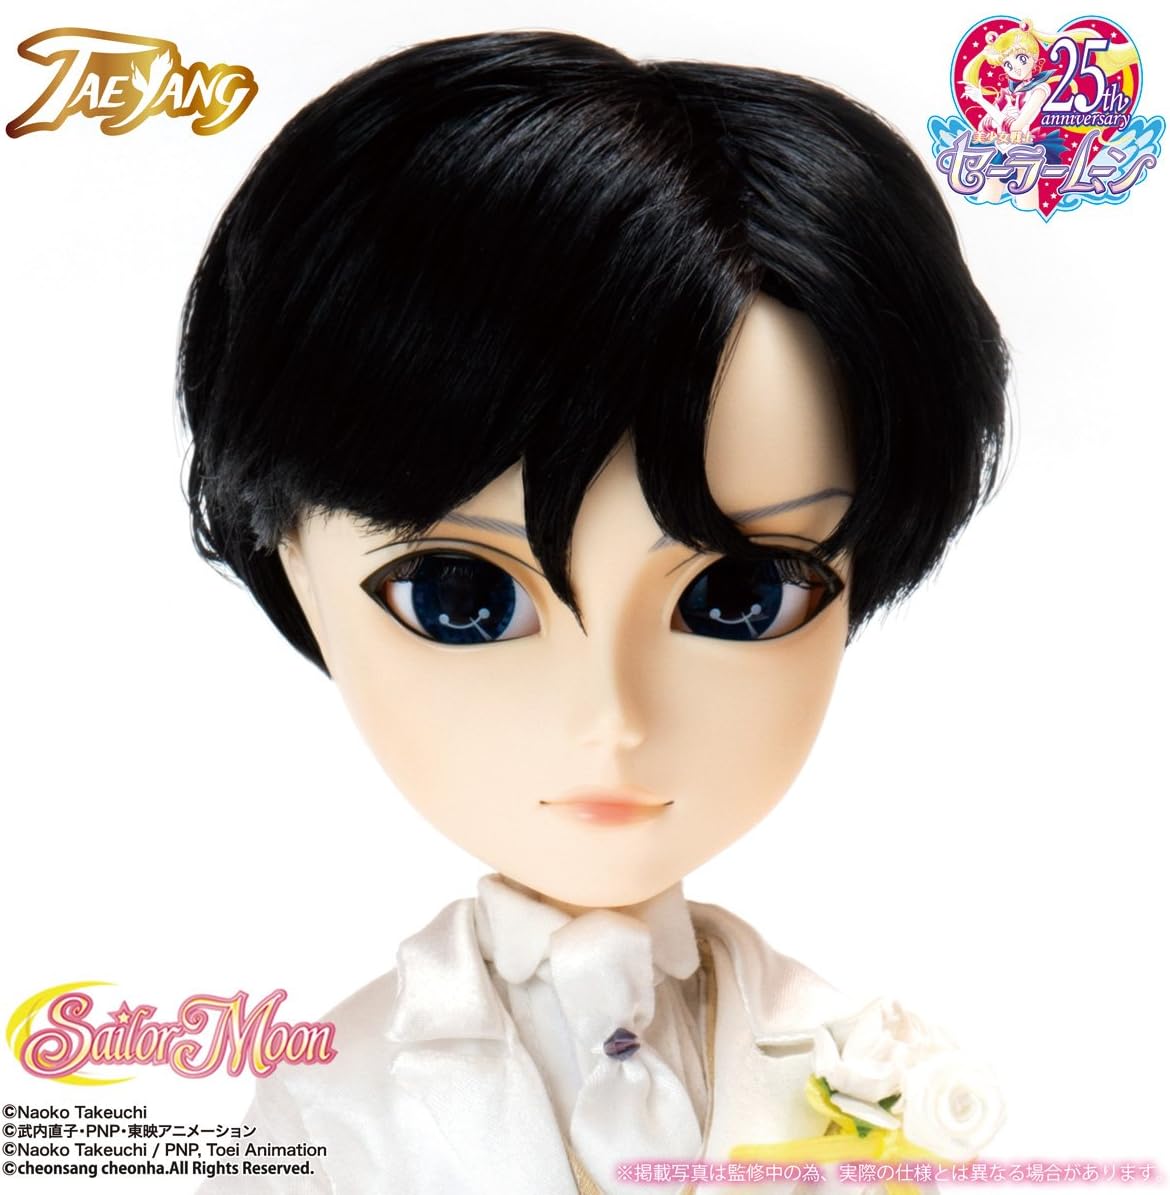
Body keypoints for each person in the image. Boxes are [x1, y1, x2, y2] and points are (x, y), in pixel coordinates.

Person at [178, 30, 1008, 1194]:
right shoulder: (321, 1103)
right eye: (463, 597)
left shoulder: (866, 1062)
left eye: (738, 595)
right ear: (298, 573)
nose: (610, 719)